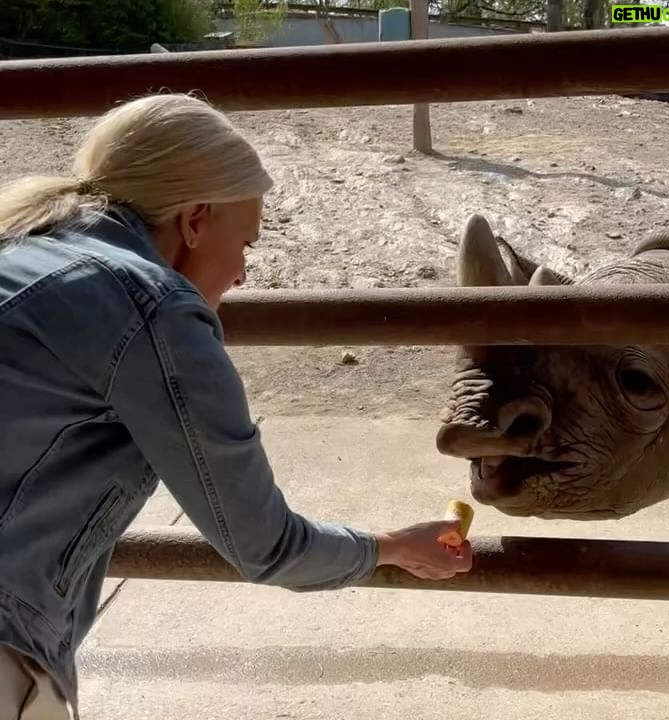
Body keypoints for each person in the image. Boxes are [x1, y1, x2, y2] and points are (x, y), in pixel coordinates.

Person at [0, 93, 472, 719]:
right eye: (246, 241)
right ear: (195, 219)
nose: (244, 273)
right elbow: (265, 545)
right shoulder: (152, 308)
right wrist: (390, 545)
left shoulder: (22, 253)